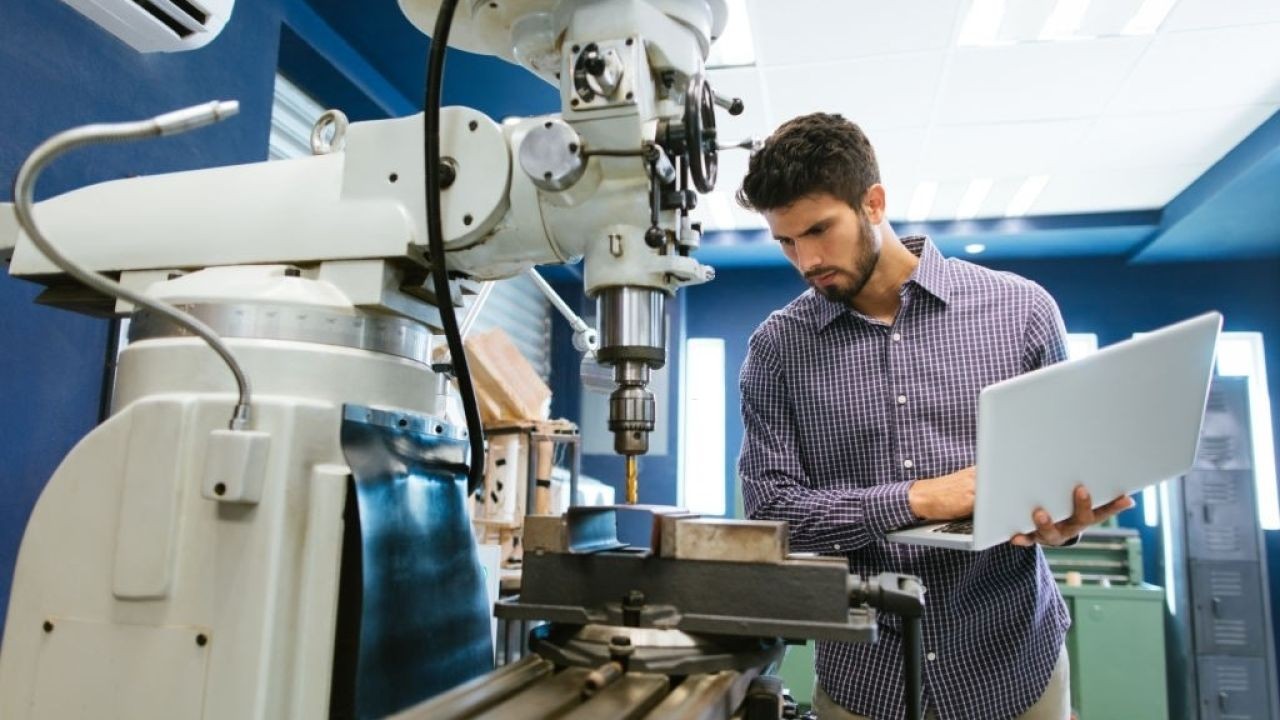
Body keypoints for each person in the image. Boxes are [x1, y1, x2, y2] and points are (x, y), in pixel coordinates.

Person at [735, 113, 1134, 720]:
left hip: (1015, 667)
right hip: (866, 682)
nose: (806, 260)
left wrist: (1066, 523)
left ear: (873, 203)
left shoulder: (1022, 312)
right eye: (786, 241)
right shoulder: (777, 350)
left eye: (819, 229)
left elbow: (1063, 475)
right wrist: (919, 498)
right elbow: (772, 515)